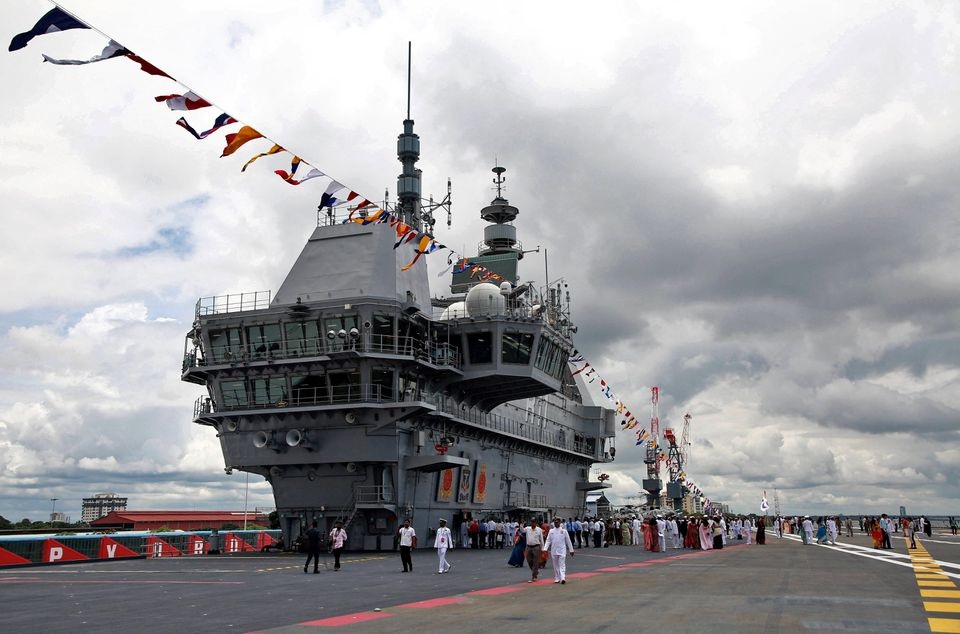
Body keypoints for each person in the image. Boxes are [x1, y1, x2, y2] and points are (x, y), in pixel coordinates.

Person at [544, 518, 575, 584]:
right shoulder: (551, 531)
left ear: (560, 523)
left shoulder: (564, 531)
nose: (556, 523)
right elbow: (548, 540)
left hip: (562, 550)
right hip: (554, 550)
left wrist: (571, 550)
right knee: (555, 565)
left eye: (557, 522)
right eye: (555, 522)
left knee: (562, 564)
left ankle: (563, 578)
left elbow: (568, 541)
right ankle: (557, 577)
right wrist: (545, 549)